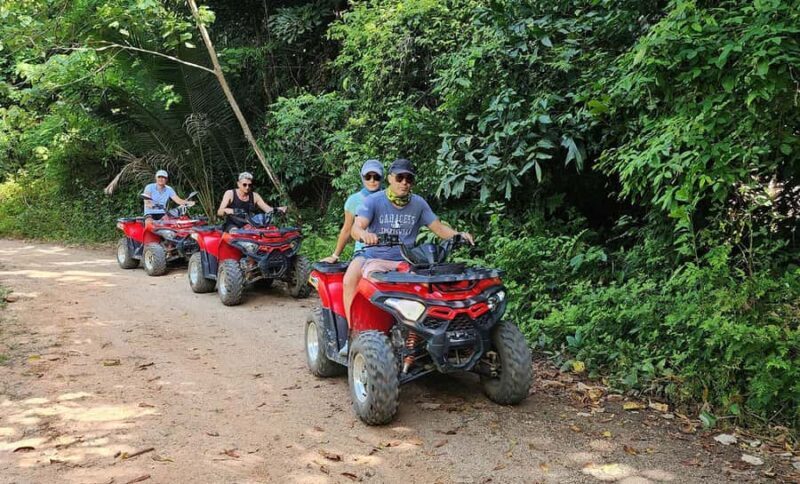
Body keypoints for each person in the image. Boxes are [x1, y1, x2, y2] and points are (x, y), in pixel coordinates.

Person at [345, 158, 474, 325]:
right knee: (349, 280)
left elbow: (439, 228)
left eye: (409, 178)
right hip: (371, 256)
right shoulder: (373, 201)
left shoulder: (418, 203)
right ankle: (351, 329)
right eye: (400, 178)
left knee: (430, 290)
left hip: (407, 261)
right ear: (390, 178)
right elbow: (356, 228)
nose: (404, 182)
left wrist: (459, 235)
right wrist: (364, 234)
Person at [321, 159, 384, 264]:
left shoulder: (390, 198)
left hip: (387, 250)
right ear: (362, 177)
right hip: (363, 251)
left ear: (382, 178)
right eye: (368, 177)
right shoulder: (354, 200)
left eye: (376, 177)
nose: (372, 180)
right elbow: (347, 229)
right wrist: (335, 255)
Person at [217, 172, 283, 231]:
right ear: (238, 184)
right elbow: (219, 212)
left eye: (249, 185)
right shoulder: (230, 193)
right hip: (233, 225)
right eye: (244, 184)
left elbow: (267, 209)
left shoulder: (255, 196)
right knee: (237, 233)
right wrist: (232, 211)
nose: (247, 187)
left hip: (249, 225)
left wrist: (279, 209)